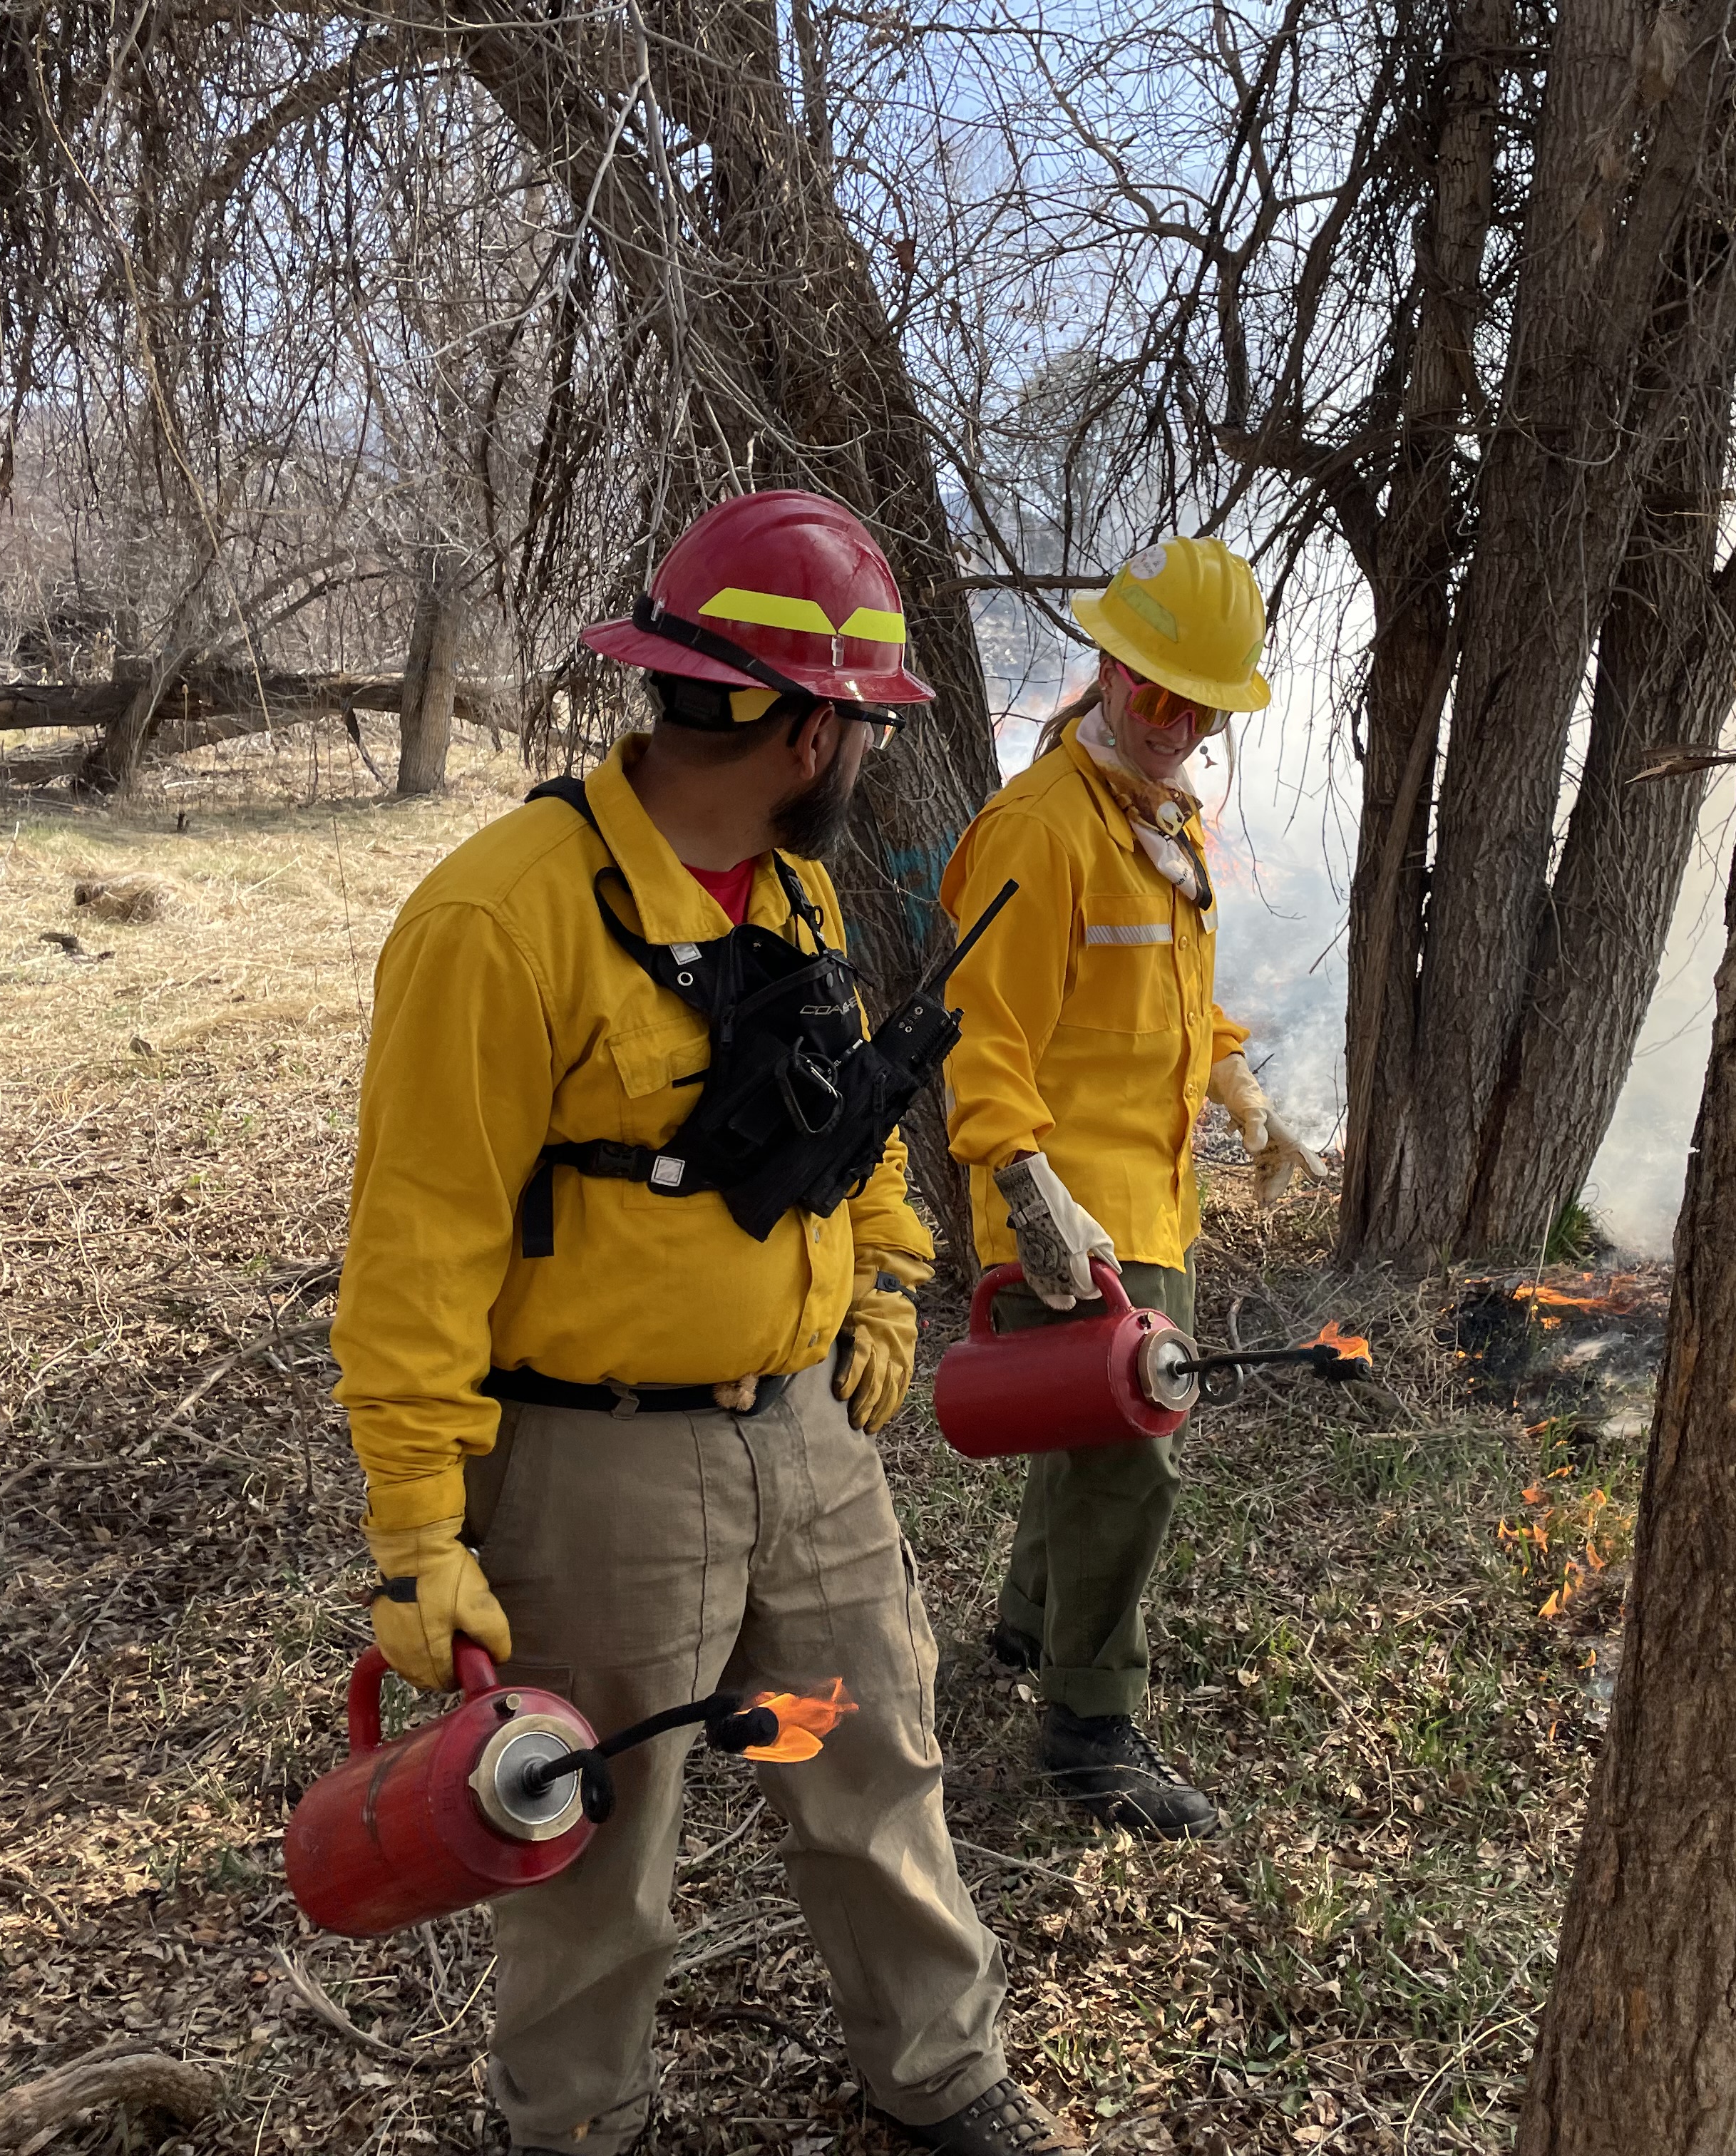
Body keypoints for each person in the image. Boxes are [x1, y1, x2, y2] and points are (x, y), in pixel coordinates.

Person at [329, 490, 1073, 2156]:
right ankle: (575, 2127)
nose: (868, 757)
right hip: (601, 1491)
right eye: (866, 728)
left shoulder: (785, 899)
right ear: (810, 729)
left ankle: (941, 2073)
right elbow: (417, 1255)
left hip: (804, 1449)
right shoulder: (499, 919)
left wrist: (882, 1272)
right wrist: (418, 1531)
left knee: (864, 1758)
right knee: (597, 1835)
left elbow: (844, 1119)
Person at [935, 535, 1327, 1839]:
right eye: (1158, 695)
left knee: (1089, 1433)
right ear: (1108, 667)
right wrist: (1022, 1173)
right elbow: (979, 1028)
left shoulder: (1167, 823)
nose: (1177, 728)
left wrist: (1243, 1096)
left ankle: (1027, 1626)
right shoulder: (1038, 833)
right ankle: (1089, 1722)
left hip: (1156, 1201)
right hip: (1073, 1210)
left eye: (1202, 709)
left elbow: (1172, 1001)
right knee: (1134, 1457)